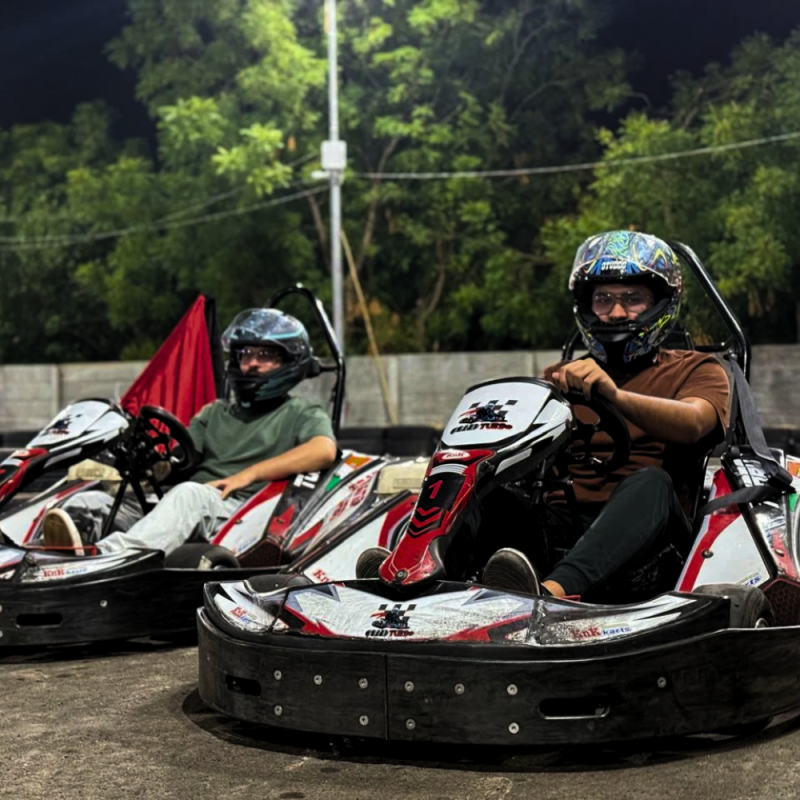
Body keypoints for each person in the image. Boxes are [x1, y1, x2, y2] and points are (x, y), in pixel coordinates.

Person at [481, 230, 730, 601]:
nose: (615, 313)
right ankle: (432, 579)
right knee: (489, 490)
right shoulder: (567, 377)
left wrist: (614, 396)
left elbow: (695, 422)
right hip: (564, 525)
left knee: (651, 481)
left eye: (632, 299)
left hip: (654, 543)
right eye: (603, 299)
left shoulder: (699, 369)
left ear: (661, 304)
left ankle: (554, 594)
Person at [42, 308, 338, 558]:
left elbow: (324, 451)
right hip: (187, 508)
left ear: (289, 362)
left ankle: (108, 558)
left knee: (189, 495)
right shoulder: (214, 413)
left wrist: (247, 475)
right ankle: (56, 563)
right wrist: (147, 465)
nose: (252, 364)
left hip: (244, 512)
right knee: (88, 503)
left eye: (266, 355)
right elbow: (181, 461)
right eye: (245, 354)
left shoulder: (301, 412)